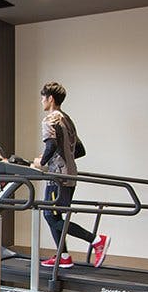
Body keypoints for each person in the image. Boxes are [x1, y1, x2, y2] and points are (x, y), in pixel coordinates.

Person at [32, 82, 110, 268]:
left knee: (50, 216)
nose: (41, 101)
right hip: (70, 176)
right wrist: (61, 158)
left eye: (43, 98)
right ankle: (64, 256)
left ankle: (96, 240)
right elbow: (80, 150)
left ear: (50, 99)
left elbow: (51, 145)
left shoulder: (50, 119)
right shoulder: (67, 120)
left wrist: (41, 162)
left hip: (57, 178)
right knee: (55, 216)